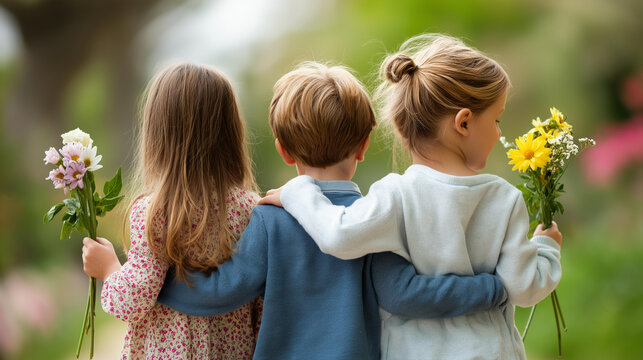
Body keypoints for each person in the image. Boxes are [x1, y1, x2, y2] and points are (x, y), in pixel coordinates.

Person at [156, 61, 508, 359]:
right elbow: (405, 295)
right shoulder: (373, 217)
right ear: (363, 146)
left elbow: (223, 290)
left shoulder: (270, 220)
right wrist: (493, 287)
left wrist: (157, 284)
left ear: (284, 151)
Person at [259, 35, 563, 360]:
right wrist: (547, 248)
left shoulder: (395, 195)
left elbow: (337, 233)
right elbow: (523, 288)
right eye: (496, 119)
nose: (499, 132)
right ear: (463, 122)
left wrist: (298, 191)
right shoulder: (505, 198)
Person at [81, 63, 263, 359]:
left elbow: (132, 301)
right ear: (231, 133)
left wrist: (109, 269)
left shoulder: (156, 212)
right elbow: (260, 304)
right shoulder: (252, 209)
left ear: (157, 135)